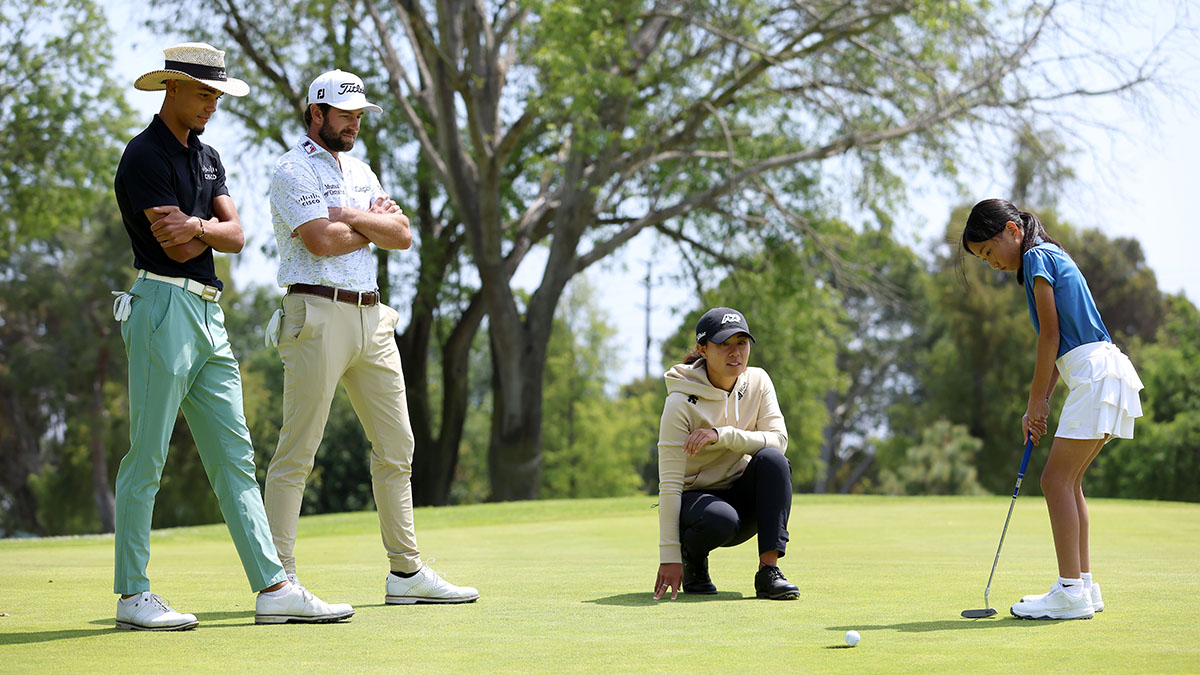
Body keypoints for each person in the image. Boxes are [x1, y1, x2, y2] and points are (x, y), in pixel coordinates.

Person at [111, 42, 353, 630]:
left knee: (235, 456)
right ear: (171, 88)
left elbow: (237, 235)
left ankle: (273, 586)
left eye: (217, 95)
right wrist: (204, 232)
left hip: (210, 315)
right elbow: (175, 247)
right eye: (203, 93)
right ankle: (132, 595)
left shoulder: (209, 156)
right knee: (148, 453)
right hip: (160, 305)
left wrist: (198, 226)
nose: (212, 105)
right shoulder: (143, 157)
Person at [263, 69, 477, 604]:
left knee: (397, 446)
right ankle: (279, 578)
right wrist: (367, 226)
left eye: (360, 114)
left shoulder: (361, 171)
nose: (355, 122)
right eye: (346, 114)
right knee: (299, 450)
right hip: (314, 311)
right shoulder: (290, 169)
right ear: (316, 113)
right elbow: (318, 242)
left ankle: (405, 574)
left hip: (373, 317)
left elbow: (401, 236)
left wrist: (350, 215)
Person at [962, 198, 1143, 620]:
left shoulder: (1036, 258)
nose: (992, 264)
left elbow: (1049, 336)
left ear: (1011, 230)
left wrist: (1036, 400)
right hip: (1105, 370)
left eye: (989, 252)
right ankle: (1082, 586)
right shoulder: (1051, 254)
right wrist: (1039, 401)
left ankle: (1069, 592)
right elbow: (1063, 346)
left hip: (1097, 373)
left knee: (1054, 481)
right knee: (1069, 481)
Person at [652, 307, 799, 601]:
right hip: (696, 505)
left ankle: (768, 572)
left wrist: (723, 435)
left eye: (741, 343)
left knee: (773, 461)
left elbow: (779, 440)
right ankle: (691, 560)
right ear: (702, 350)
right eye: (724, 344)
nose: (735, 353)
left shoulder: (758, 381)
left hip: (740, 496)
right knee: (722, 518)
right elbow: (669, 485)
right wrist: (668, 556)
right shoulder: (680, 402)